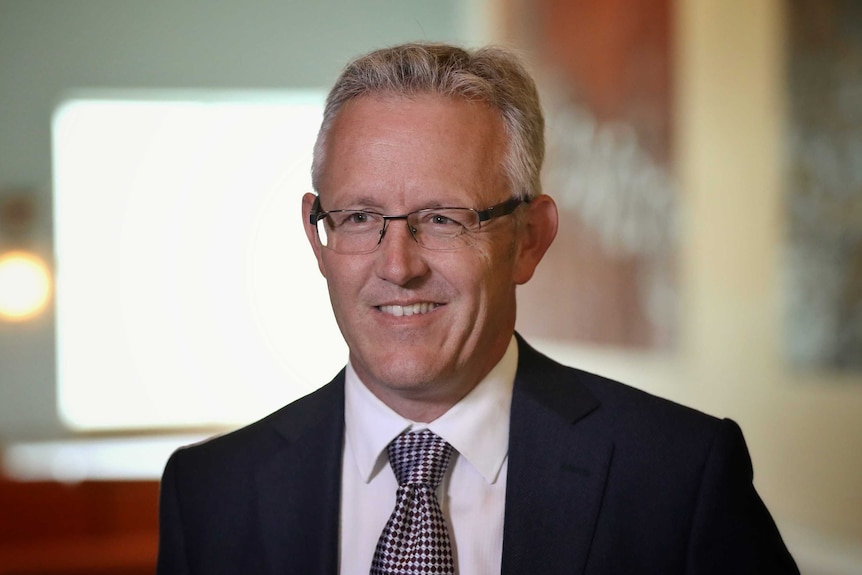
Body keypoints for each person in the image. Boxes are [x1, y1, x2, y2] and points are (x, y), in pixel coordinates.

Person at [156, 42, 799, 575]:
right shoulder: (211, 494)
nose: (398, 266)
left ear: (529, 239)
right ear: (316, 237)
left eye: (442, 218)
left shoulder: (678, 476)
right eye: (358, 217)